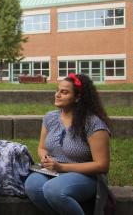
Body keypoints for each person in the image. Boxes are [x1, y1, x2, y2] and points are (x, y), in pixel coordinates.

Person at [24, 73, 111, 215]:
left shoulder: (93, 123)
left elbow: (102, 165)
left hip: (85, 175)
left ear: (78, 97)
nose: (57, 95)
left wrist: (62, 167)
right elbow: (42, 147)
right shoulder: (50, 117)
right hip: (52, 170)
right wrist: (45, 157)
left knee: (53, 190)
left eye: (64, 92)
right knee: (32, 186)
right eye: (57, 90)